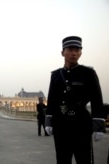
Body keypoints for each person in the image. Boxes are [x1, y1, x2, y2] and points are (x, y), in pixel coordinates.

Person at [45, 36, 106, 164]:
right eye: (70, 49)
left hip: (81, 124)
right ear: (62, 53)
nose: (74, 53)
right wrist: (49, 121)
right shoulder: (55, 75)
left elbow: (97, 99)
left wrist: (98, 125)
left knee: (83, 159)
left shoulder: (88, 73)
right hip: (61, 124)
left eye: (77, 50)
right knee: (62, 159)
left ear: (81, 52)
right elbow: (52, 99)